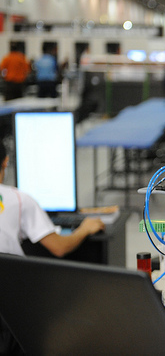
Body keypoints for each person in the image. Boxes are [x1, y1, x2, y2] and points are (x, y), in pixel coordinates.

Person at [0, 141, 105, 354]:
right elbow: (59, 248)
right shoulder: (19, 199)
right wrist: (84, 228)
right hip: (9, 302)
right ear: (6, 162)